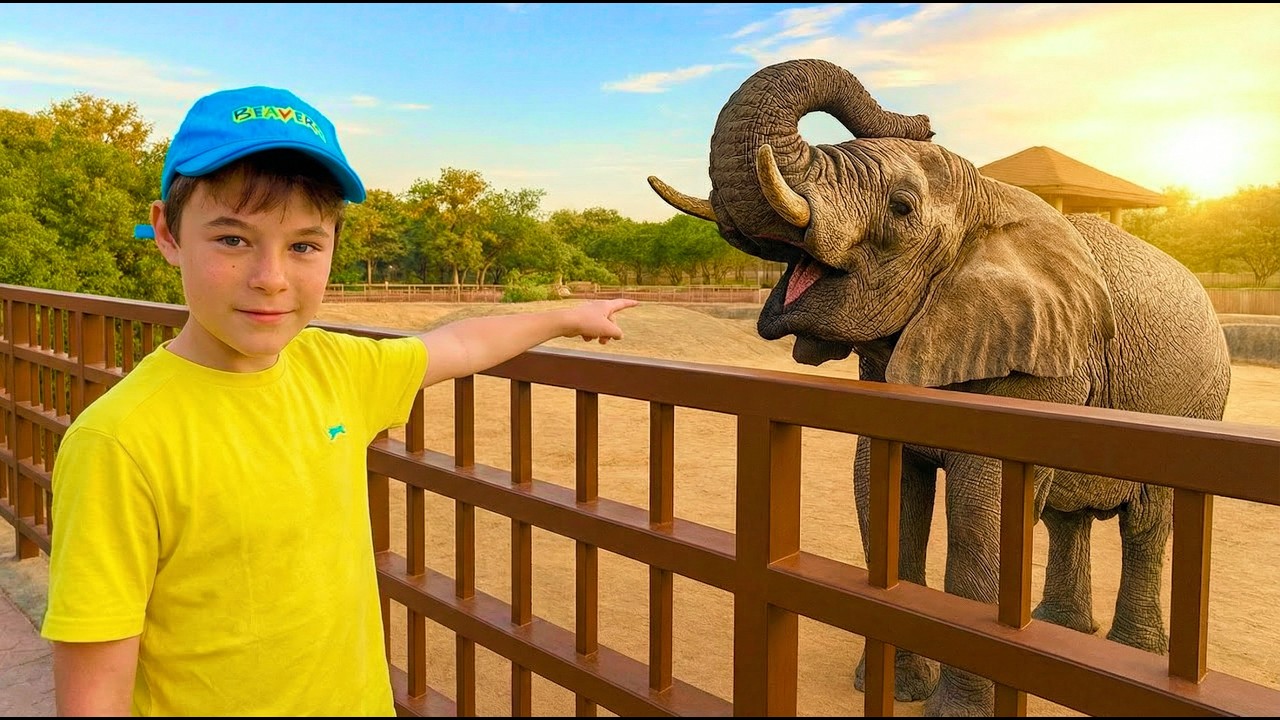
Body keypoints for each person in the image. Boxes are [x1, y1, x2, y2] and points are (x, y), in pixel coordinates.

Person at [40, 85, 638, 716]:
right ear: (168, 233)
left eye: (303, 245)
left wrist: (564, 316)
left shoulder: (334, 367)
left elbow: (458, 344)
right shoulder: (119, 442)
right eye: (232, 240)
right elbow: (94, 694)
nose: (271, 277)